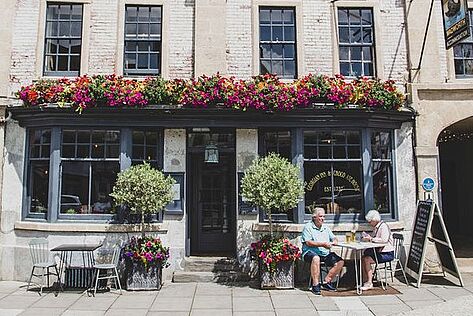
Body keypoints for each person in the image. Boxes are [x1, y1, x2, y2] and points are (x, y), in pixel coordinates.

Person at [301, 207, 344, 295]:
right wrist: (323, 244)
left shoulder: (325, 227)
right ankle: (315, 285)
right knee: (316, 258)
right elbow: (308, 242)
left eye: (324, 216)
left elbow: (333, 237)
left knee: (340, 262)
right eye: (320, 216)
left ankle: (326, 281)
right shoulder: (308, 227)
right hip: (309, 252)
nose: (322, 218)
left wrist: (335, 240)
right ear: (314, 217)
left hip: (324, 253)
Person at [360, 209, 394, 290]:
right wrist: (368, 238)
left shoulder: (383, 227)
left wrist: (371, 238)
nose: (369, 223)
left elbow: (384, 240)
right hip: (379, 251)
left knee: (366, 259)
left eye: (370, 221)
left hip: (387, 253)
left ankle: (369, 282)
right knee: (363, 258)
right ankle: (365, 281)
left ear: (374, 220)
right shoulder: (376, 227)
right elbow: (375, 239)